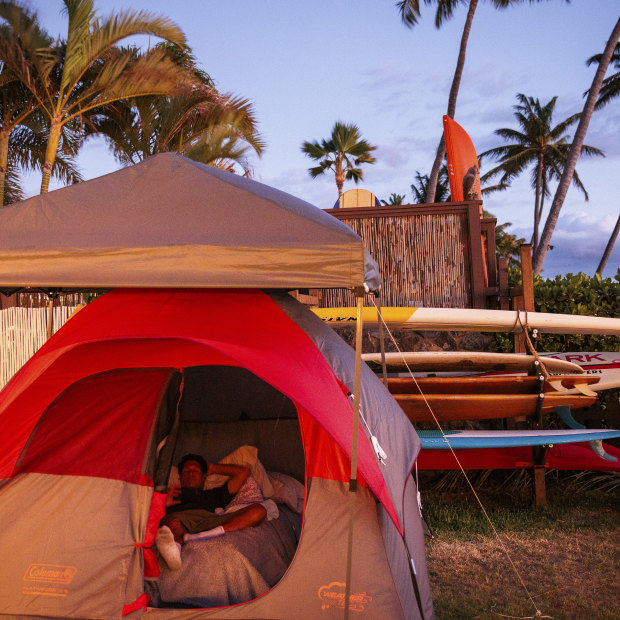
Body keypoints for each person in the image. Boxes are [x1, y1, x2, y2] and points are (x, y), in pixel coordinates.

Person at [156, 453, 266, 570]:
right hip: (180, 520)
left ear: (204, 477)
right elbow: (145, 517)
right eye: (186, 471)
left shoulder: (214, 494)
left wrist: (213, 468)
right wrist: (162, 503)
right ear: (180, 477)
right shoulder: (169, 495)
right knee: (173, 525)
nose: (191, 474)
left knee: (259, 510)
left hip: (209, 521)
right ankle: (174, 553)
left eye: (196, 471)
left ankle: (206, 535)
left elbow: (243, 472)